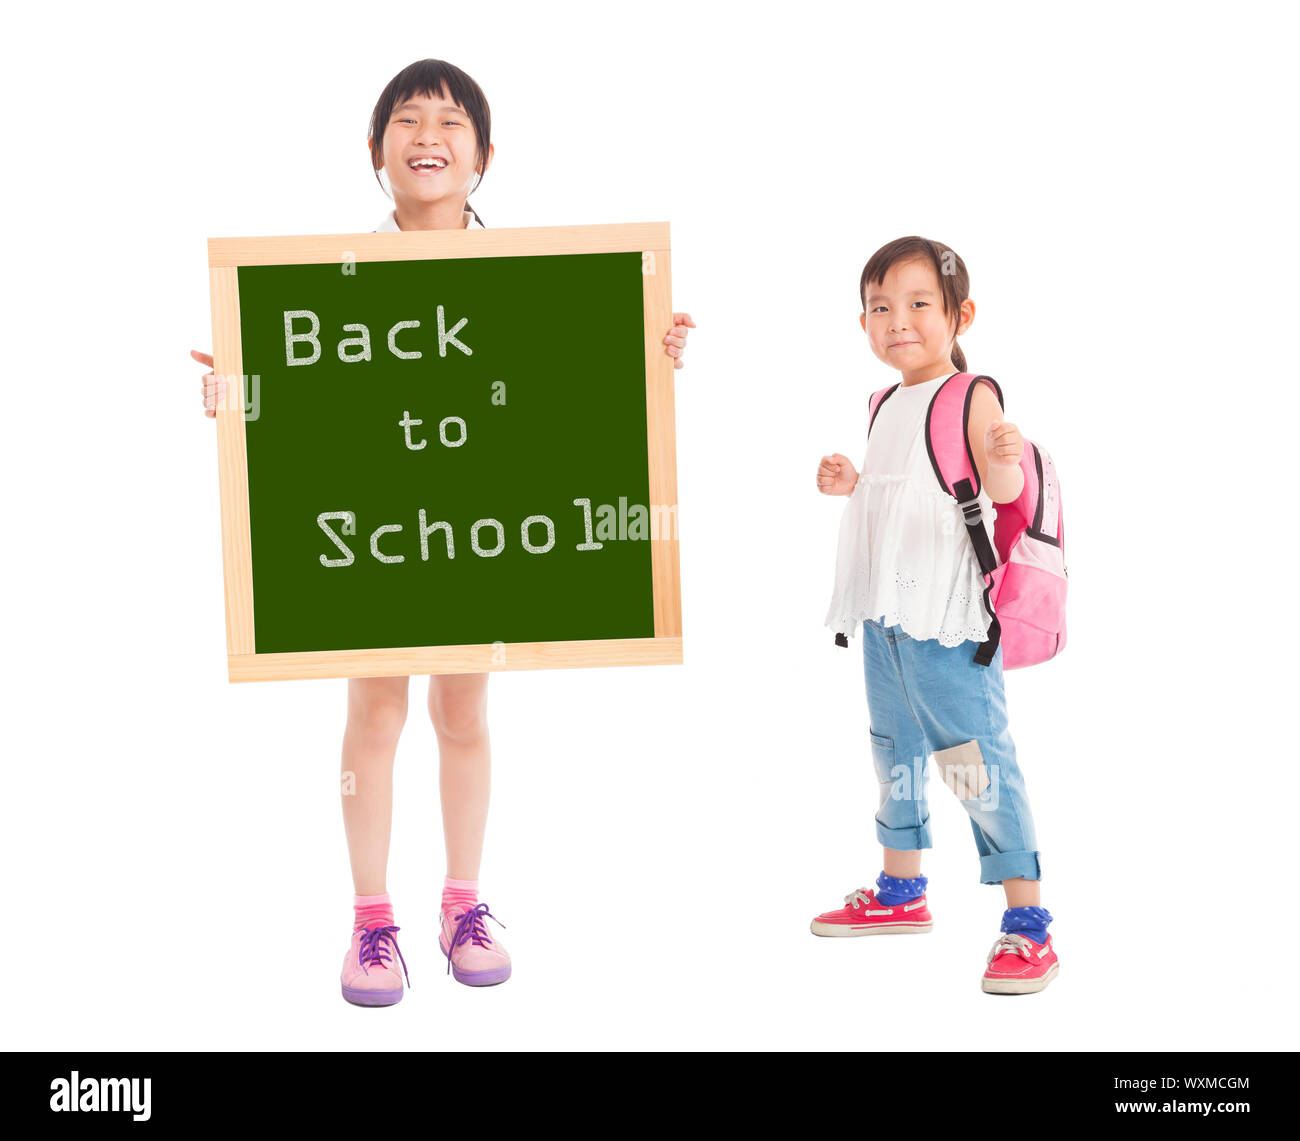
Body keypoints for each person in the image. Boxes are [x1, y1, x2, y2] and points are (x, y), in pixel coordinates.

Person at [192, 58, 696, 1005]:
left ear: (486, 155)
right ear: (376, 151)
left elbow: (579, 395)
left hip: (482, 529)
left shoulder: (539, 281)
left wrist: (649, 347)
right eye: (409, 120)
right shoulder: (324, 284)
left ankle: (463, 903)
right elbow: (296, 414)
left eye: (452, 121)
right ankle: (371, 919)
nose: (430, 135)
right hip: (377, 535)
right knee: (375, 712)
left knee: (462, 712)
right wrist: (236, 384)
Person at [812, 236, 1057, 995]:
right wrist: (852, 481)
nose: (899, 321)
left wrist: (1008, 456)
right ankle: (901, 887)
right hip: (885, 615)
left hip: (949, 621)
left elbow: (1003, 486)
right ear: (864, 323)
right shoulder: (883, 401)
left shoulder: (972, 390)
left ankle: (1028, 923)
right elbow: (899, 492)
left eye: (919, 304)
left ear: (960, 314)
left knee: (973, 763)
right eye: (881, 307)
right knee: (896, 752)